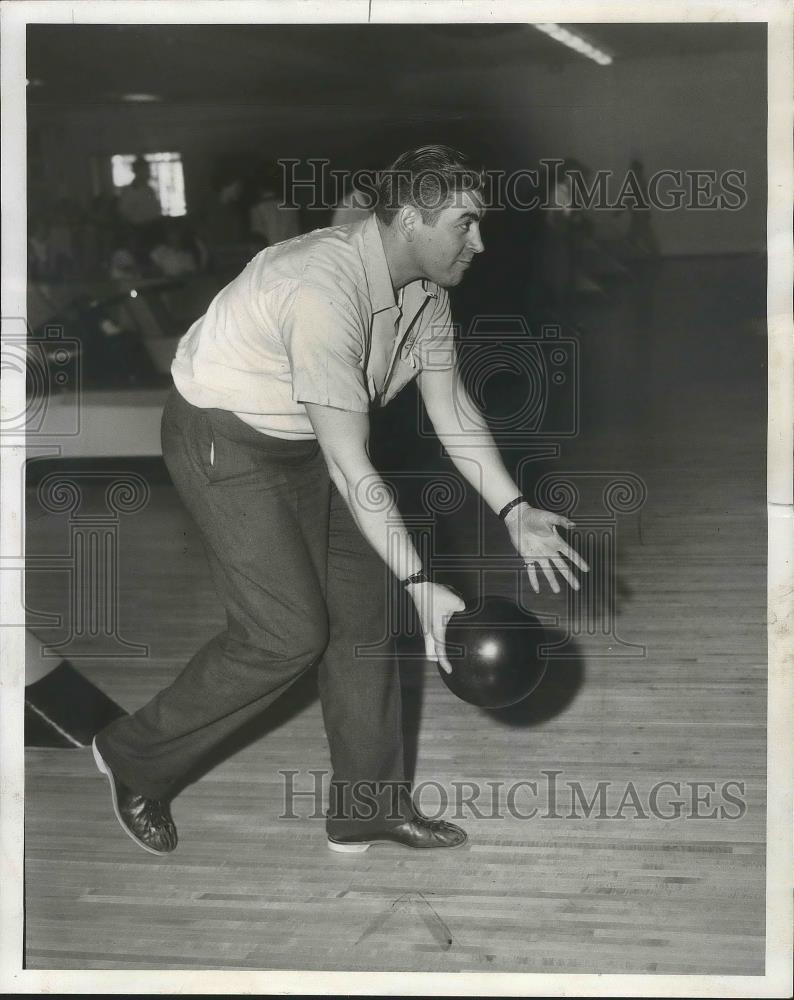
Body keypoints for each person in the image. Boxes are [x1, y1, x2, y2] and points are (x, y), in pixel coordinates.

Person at [92, 145, 588, 856]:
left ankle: (368, 808)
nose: (480, 243)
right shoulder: (324, 291)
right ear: (413, 219)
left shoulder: (424, 291)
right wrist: (422, 586)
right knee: (284, 634)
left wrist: (515, 510)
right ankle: (134, 755)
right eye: (467, 224)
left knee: (362, 614)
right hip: (225, 440)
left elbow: (454, 411)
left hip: (309, 443)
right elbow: (353, 463)